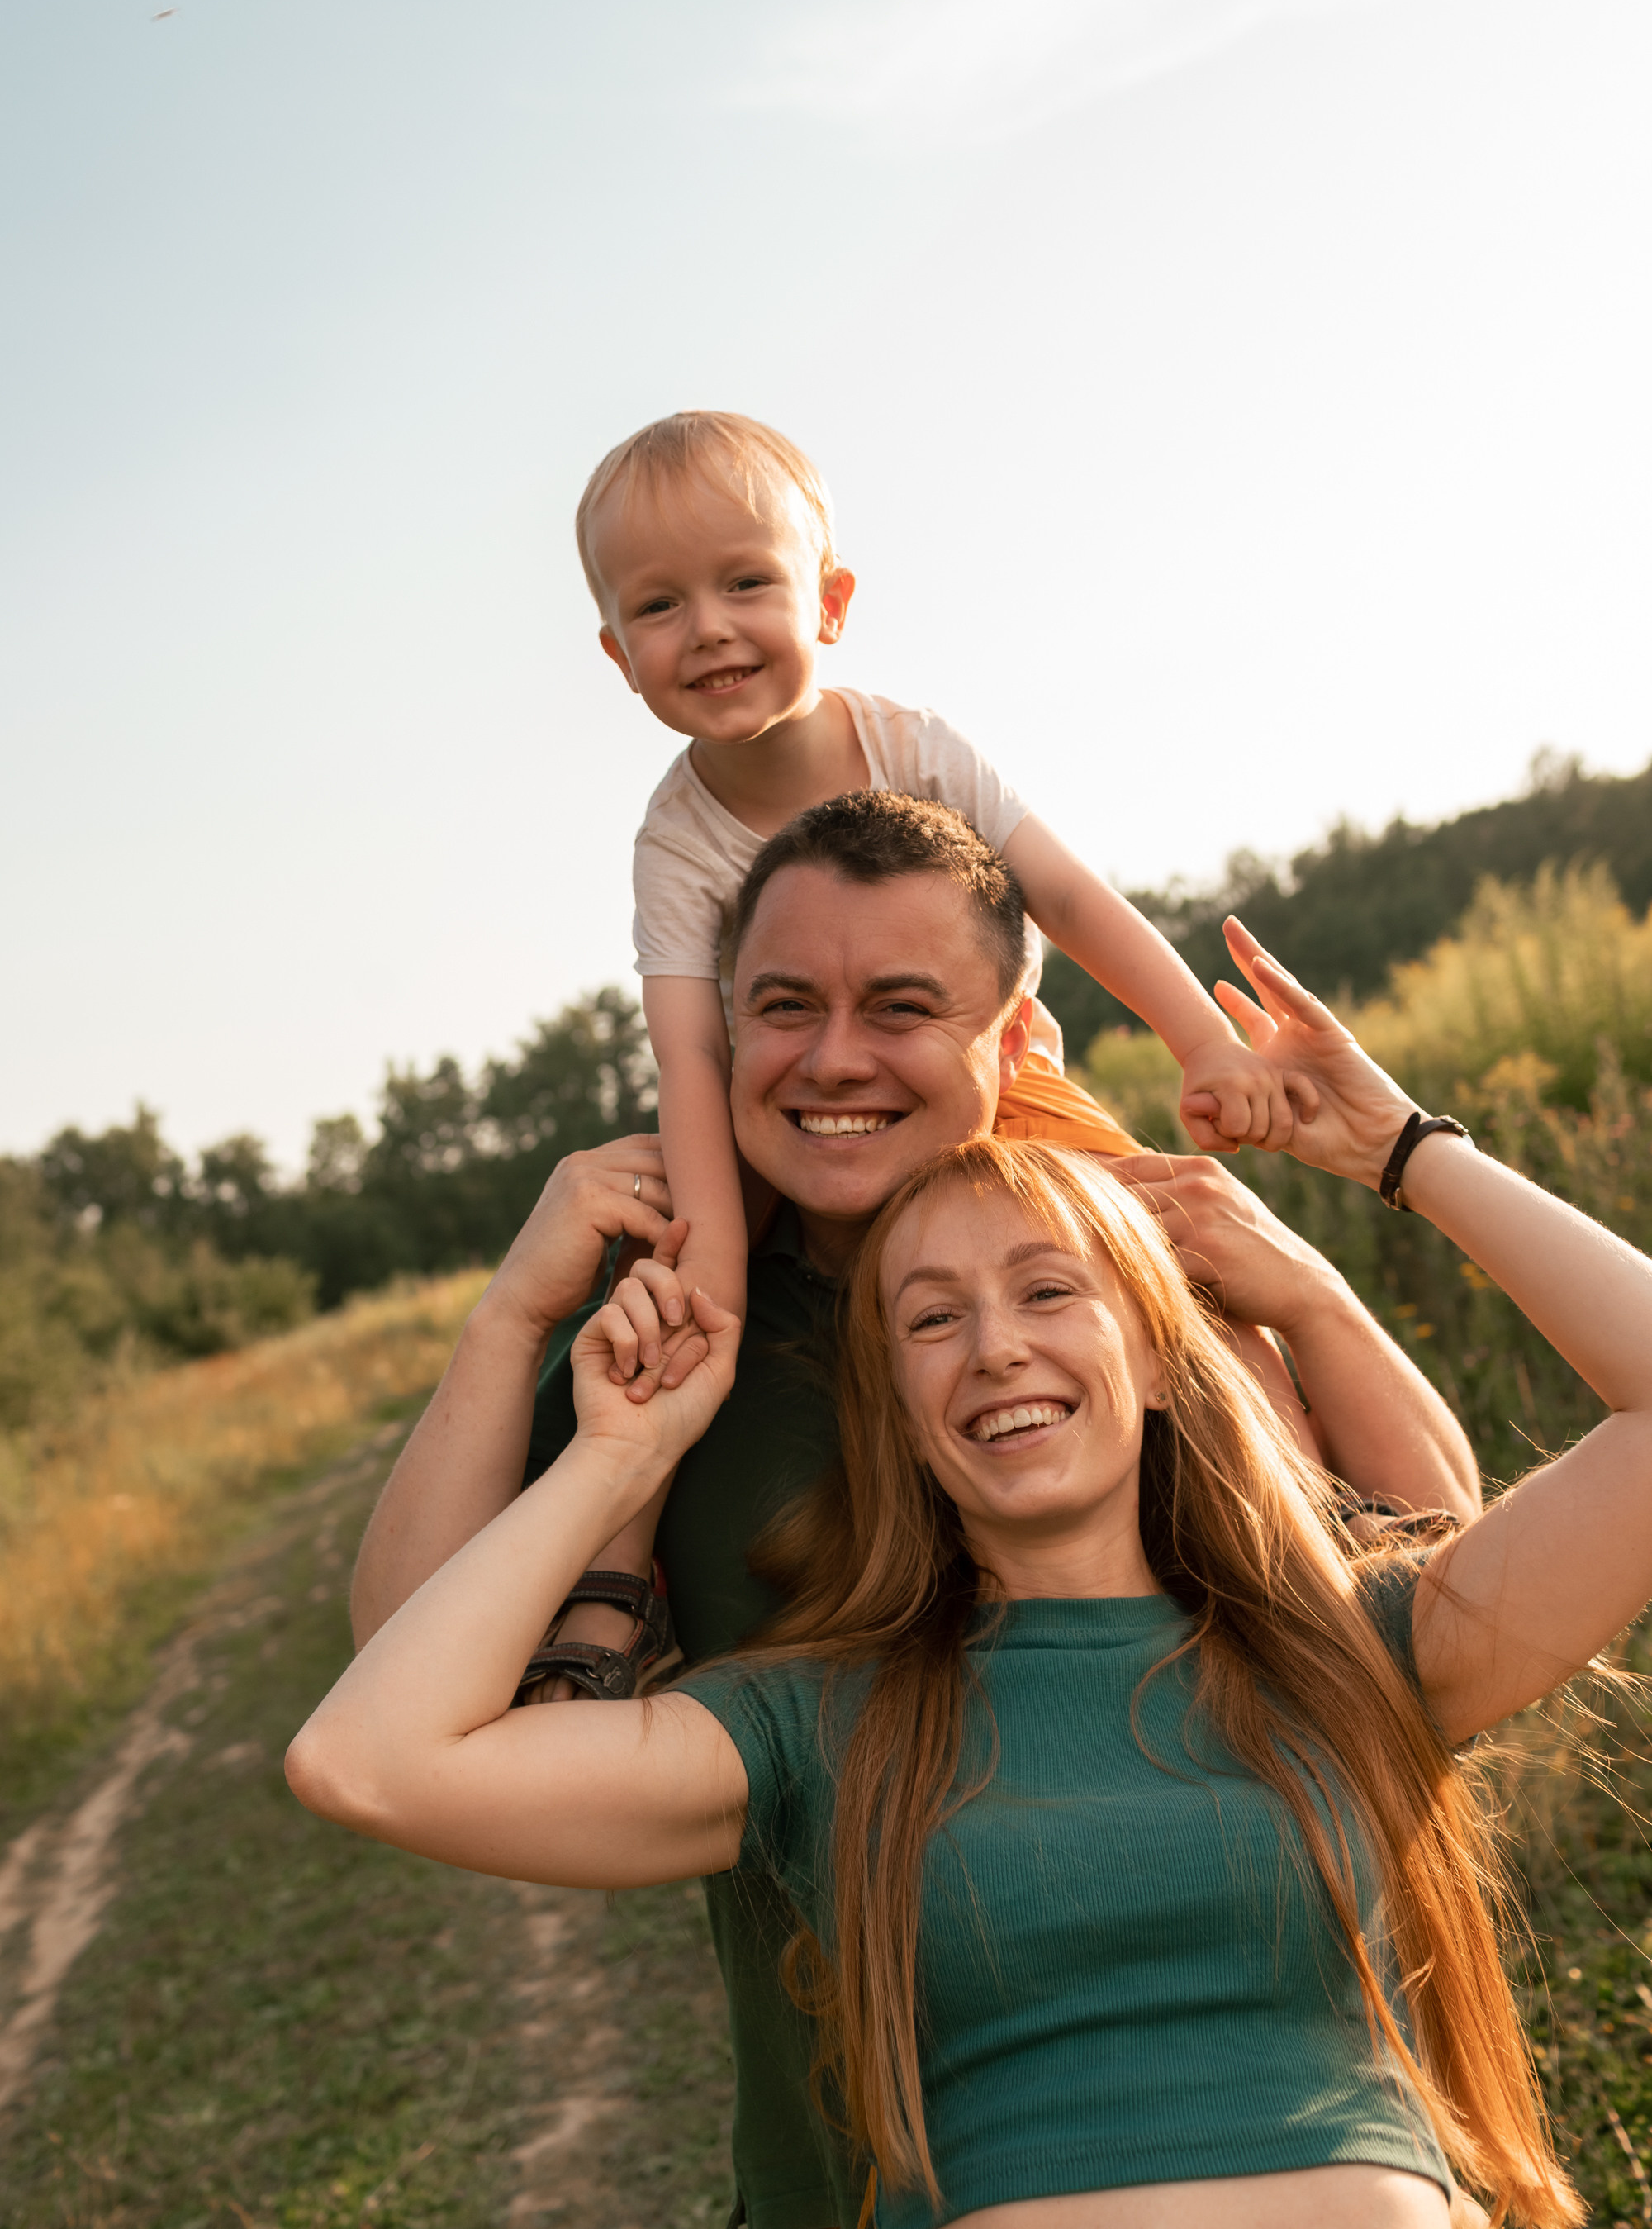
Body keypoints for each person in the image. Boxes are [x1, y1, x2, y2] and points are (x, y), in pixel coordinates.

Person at [290, 916, 1636, 2227]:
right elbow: (370, 1758)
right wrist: (618, 1456)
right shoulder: (822, 1721)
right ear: (896, 1417)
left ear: (1163, 1359)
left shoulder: (1352, 1648)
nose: (995, 1346)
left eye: (1051, 1292)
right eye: (933, 1319)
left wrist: (1406, 1151)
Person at [578, 409, 1298, 1341]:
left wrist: (1203, 1043)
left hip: (996, 1085)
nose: (709, 629)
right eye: (658, 606)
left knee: (1170, 1267)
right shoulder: (676, 844)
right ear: (618, 656)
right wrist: (712, 1267)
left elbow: (1071, 898)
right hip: (802, 1125)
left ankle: (1298, 1467)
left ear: (829, 603)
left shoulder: (912, 750)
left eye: (747, 583)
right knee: (695, 1292)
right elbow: (689, 1058)